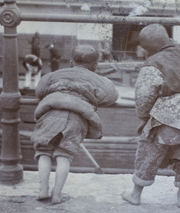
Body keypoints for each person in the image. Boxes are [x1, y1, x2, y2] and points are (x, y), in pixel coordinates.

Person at [122, 24, 180, 208]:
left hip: (170, 113)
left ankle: (135, 194)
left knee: (150, 149)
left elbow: (144, 95)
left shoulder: (152, 63)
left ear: (146, 47)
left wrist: (144, 118)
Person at [31, 45, 119, 204]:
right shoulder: (99, 80)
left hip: (51, 113)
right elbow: (112, 96)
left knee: (44, 151)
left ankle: (42, 190)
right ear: (95, 65)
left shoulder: (53, 75)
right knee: (64, 154)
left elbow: (39, 91)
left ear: (71, 62)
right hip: (77, 117)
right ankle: (57, 194)